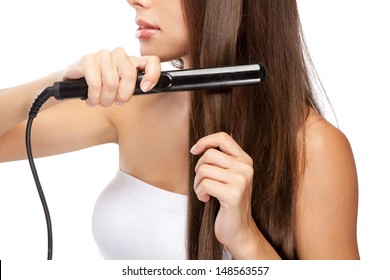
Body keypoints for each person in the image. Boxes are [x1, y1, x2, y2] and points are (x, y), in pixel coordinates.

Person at [0, 0, 359, 260]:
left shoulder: (313, 147)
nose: (134, 1)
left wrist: (246, 239)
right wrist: (58, 84)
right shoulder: (131, 102)